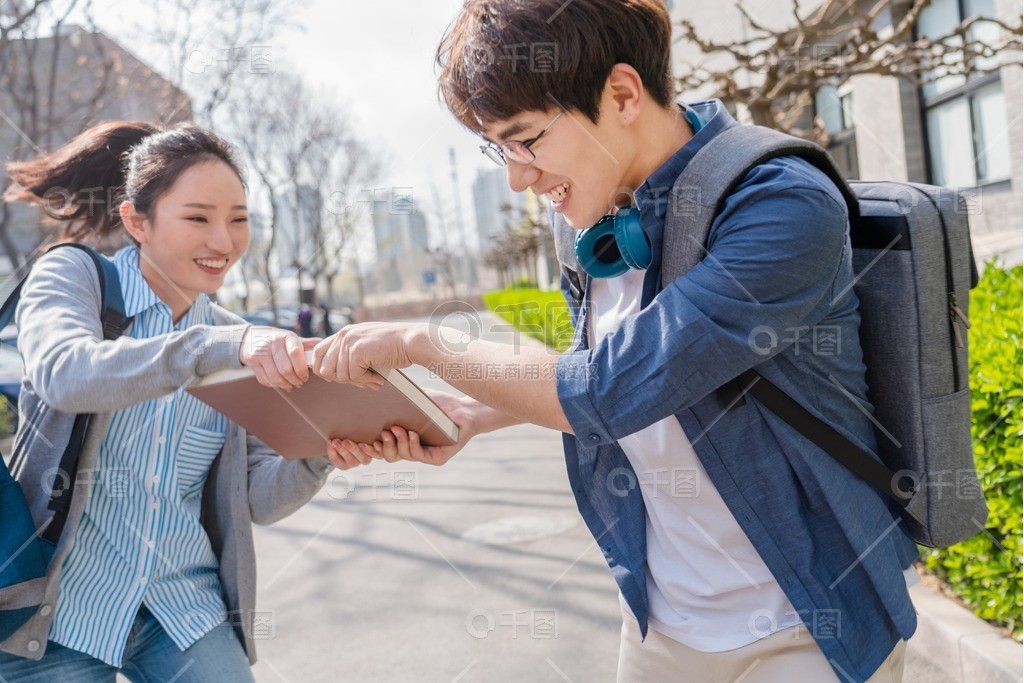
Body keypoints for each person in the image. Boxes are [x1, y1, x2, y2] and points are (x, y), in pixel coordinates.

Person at [310, 1, 919, 681]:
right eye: (497, 147)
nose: (516, 175)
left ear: (623, 93)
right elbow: (602, 366)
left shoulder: (783, 202)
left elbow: (609, 387)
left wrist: (422, 342)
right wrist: (479, 414)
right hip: (660, 620)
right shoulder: (582, 216)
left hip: (809, 619)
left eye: (527, 139)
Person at [0, 121, 353, 681]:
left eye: (239, 220)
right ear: (136, 221)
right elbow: (67, 374)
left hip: (183, 610)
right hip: (56, 614)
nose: (224, 241)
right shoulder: (73, 277)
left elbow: (258, 496)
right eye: (198, 218)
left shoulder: (237, 341)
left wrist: (323, 449)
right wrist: (219, 348)